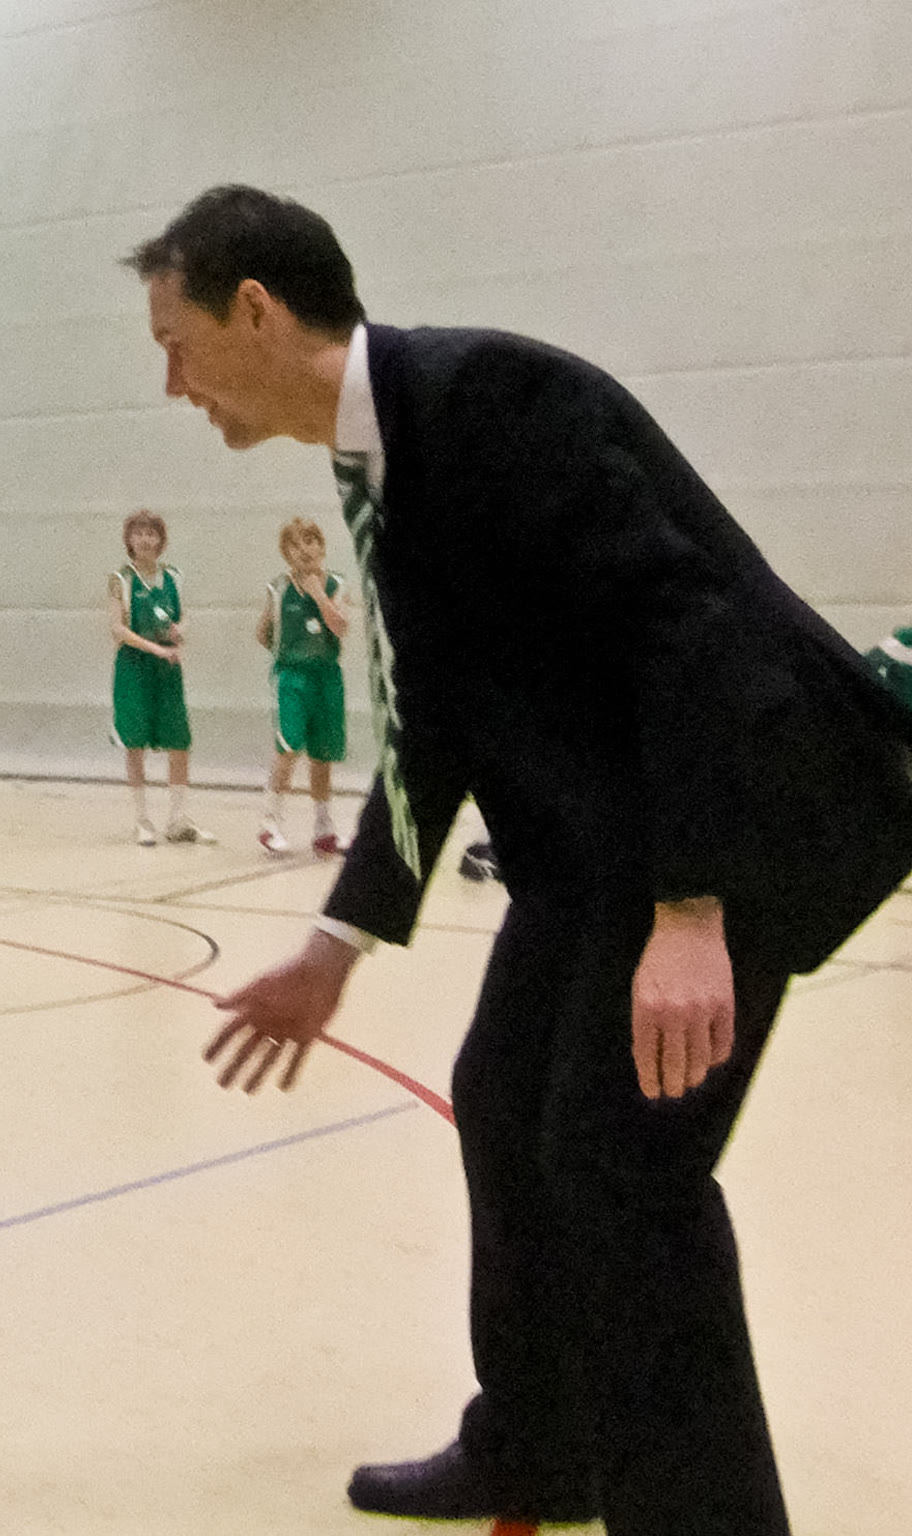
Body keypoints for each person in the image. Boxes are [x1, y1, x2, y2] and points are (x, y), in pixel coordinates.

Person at [127, 184, 912, 1534]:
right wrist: (334, 946)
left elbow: (686, 628)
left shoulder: (491, 399)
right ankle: (540, 1449)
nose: (171, 385)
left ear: (253, 311)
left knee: (623, 1168)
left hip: (734, 816)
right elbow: (435, 720)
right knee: (501, 1098)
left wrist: (690, 907)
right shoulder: (381, 457)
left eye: (175, 345)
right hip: (601, 848)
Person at [109, 508, 214, 846]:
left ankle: (178, 819)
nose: (145, 539)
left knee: (179, 741)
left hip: (167, 668)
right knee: (135, 743)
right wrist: (154, 648)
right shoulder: (121, 579)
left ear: (160, 540)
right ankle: (141, 820)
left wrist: (179, 631)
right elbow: (117, 628)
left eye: (151, 533)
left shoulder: (173, 577)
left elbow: (184, 618)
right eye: (138, 533)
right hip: (134, 668)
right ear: (129, 540)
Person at [256, 516, 350, 856]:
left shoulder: (336, 584)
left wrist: (317, 595)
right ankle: (270, 823)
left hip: (327, 678)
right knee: (289, 747)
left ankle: (324, 829)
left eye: (310, 541)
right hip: (292, 678)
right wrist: (288, 653)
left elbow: (340, 627)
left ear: (321, 547)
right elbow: (263, 633)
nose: (304, 549)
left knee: (322, 756)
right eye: (295, 545)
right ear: (286, 553)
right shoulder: (278, 588)